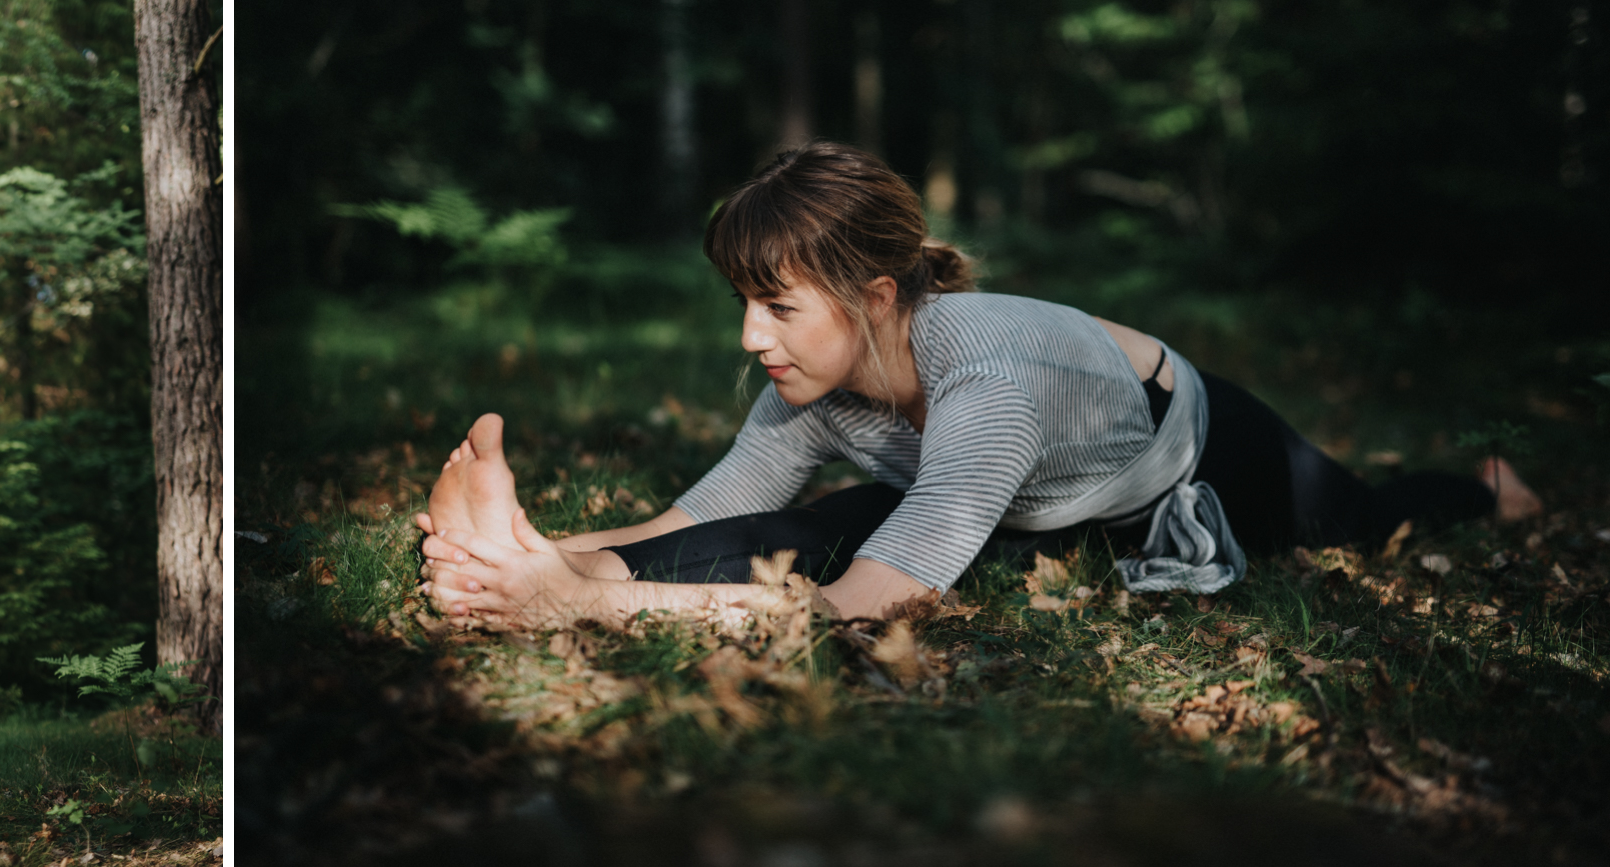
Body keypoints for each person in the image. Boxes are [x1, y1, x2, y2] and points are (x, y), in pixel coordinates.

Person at [415, 142, 1539, 630]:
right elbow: (704, 513)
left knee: (1361, 518)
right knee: (828, 521)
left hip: (1200, 450)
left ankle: (1490, 485)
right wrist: (535, 561)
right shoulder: (815, 373)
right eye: (742, 302)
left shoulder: (989, 382)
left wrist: (585, 612)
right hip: (1030, 498)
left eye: (779, 304)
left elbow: (868, 612)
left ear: (874, 295)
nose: (750, 336)